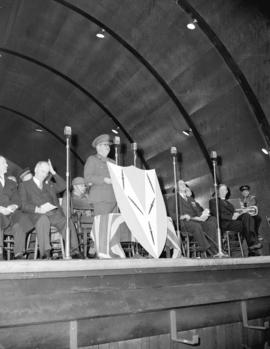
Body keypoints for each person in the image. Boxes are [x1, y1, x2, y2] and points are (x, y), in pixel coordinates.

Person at [19, 159, 81, 259]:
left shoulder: (49, 184)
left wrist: (53, 172)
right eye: (42, 171)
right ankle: (45, 253)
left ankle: (75, 251)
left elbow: (64, 186)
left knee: (67, 221)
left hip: (54, 214)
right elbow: (23, 205)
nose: (44, 175)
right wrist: (37, 209)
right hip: (37, 215)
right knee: (43, 220)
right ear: (36, 169)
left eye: (46, 172)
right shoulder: (24, 185)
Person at [167, 180, 217, 256]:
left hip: (195, 220)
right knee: (196, 226)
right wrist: (182, 216)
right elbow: (171, 214)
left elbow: (197, 212)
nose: (183, 185)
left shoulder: (190, 199)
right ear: (176, 187)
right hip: (182, 222)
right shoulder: (173, 198)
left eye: (184, 184)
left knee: (210, 224)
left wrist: (204, 214)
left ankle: (216, 248)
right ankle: (208, 250)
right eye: (181, 184)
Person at [209, 184, 261, 255]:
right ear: (218, 191)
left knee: (247, 216)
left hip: (233, 222)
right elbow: (216, 214)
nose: (223, 191)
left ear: (227, 191)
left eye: (225, 190)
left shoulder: (229, 203)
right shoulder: (213, 201)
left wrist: (239, 213)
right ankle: (252, 245)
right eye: (221, 190)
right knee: (247, 224)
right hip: (224, 223)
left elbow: (234, 212)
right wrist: (231, 217)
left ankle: (252, 245)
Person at [0, 156, 33, 260]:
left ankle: (19, 253)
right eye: (4, 163)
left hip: (11, 213)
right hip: (0, 213)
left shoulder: (11, 183)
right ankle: (0, 251)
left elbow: (17, 200)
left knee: (21, 220)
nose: (7, 165)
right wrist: (1, 209)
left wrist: (13, 206)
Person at [84, 134, 117, 216]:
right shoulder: (92, 159)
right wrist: (104, 179)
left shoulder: (113, 162)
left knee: (113, 226)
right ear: (98, 147)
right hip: (101, 199)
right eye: (105, 145)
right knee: (102, 225)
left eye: (108, 145)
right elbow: (87, 178)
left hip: (114, 198)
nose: (108, 147)